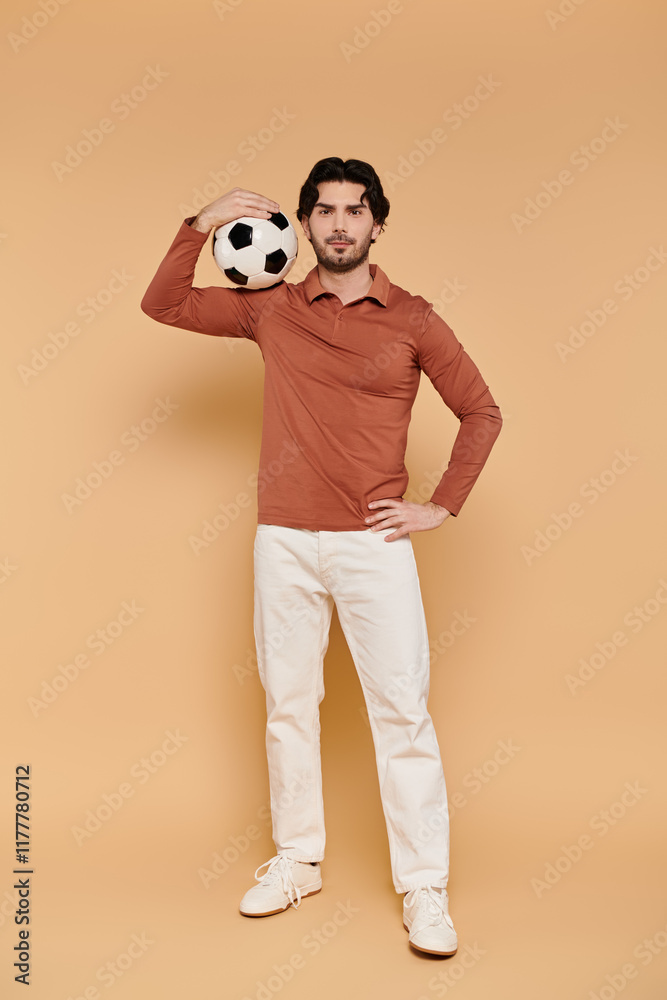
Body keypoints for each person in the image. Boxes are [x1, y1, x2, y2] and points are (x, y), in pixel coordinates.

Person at [140, 156, 502, 956]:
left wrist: (441, 504)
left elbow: (479, 410)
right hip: (284, 541)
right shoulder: (268, 308)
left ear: (377, 224)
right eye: (324, 211)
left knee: (401, 712)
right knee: (287, 705)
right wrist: (199, 223)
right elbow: (161, 303)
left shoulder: (412, 319)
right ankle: (298, 859)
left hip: (374, 546)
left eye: (354, 210)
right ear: (299, 225)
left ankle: (422, 885)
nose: (339, 224)